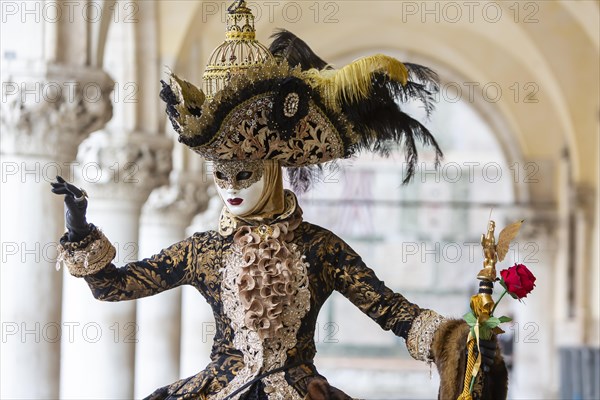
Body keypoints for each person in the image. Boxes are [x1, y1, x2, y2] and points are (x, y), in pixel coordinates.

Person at [52, 2, 507, 399]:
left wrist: (464, 348)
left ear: (270, 171)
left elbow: (392, 312)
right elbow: (114, 285)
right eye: (220, 174)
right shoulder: (203, 251)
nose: (231, 187)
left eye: (244, 173)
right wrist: (78, 228)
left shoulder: (319, 248)